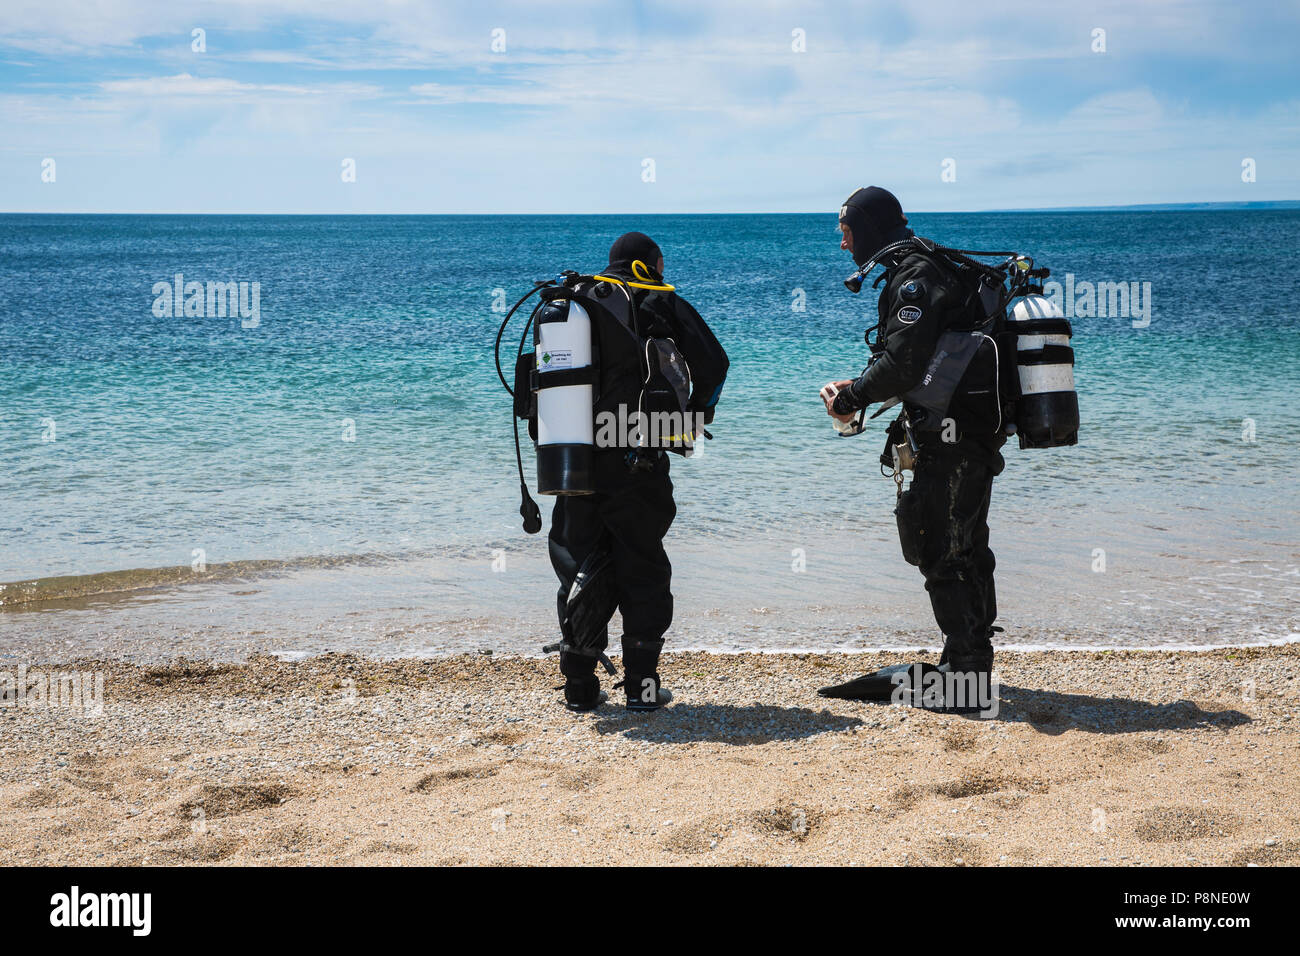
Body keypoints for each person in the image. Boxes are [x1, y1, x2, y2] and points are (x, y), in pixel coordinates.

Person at [818, 187, 1005, 711]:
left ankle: (967, 673)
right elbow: (923, 362)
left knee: (943, 547)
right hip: (967, 430)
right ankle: (967, 658)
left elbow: (903, 365)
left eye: (846, 233)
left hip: (954, 436)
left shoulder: (916, 278)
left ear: (868, 229)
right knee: (965, 543)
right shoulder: (929, 266)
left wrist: (850, 397)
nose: (843, 245)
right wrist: (864, 384)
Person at [549, 231, 727, 713]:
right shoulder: (658, 302)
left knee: (578, 561)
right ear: (650, 263)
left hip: (573, 455)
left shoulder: (574, 304)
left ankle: (579, 688)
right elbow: (713, 363)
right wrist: (695, 416)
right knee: (641, 562)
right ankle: (642, 689)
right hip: (636, 454)